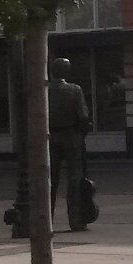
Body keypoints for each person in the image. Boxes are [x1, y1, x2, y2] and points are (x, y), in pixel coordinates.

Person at [47, 58, 94, 232]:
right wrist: (84, 130)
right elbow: (82, 115)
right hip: (71, 136)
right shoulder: (74, 90)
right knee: (75, 179)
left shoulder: (45, 90)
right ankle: (76, 220)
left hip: (51, 136)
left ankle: (47, 219)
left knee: (50, 179)